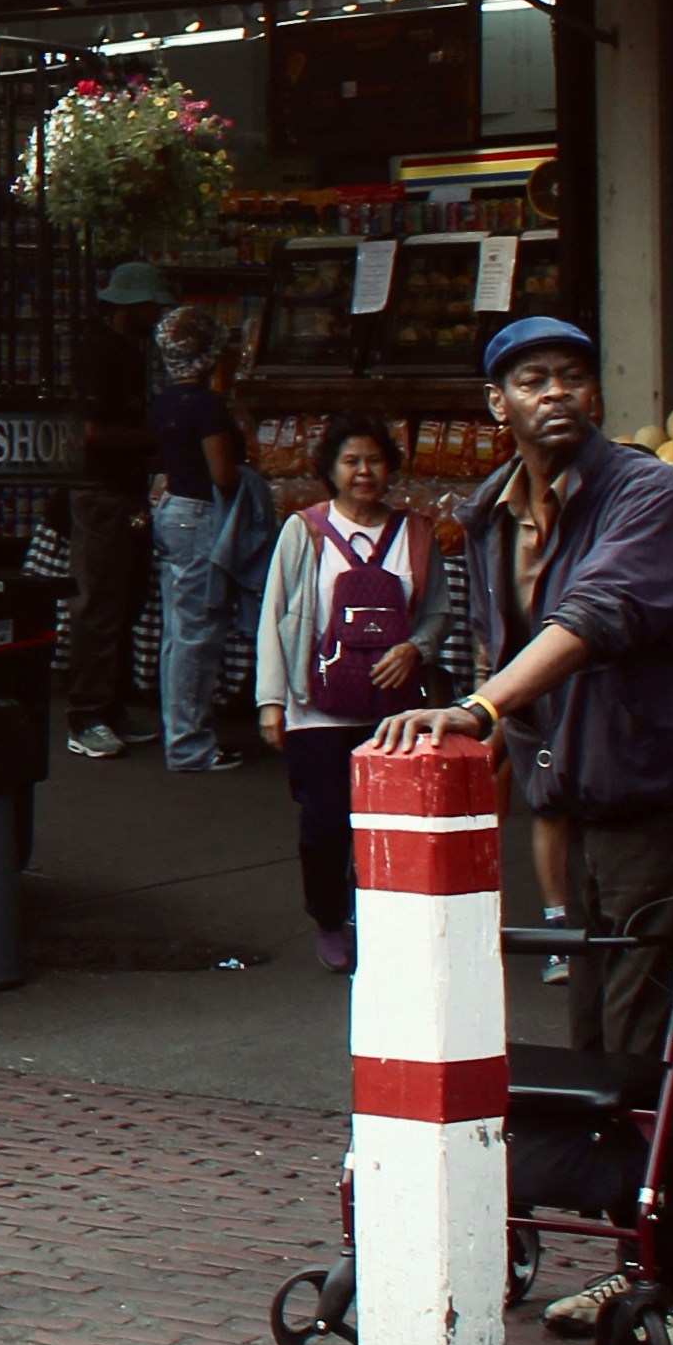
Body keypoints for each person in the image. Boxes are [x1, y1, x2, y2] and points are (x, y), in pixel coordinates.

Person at [369, 316, 673, 1345]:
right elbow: (501, 651)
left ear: (594, 396)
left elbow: (599, 614)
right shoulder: (489, 513)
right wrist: (483, 766)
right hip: (588, 804)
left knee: (654, 1050)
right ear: (495, 404)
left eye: (572, 376)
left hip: (672, 800)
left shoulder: (643, 491)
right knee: (595, 1051)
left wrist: (480, 710)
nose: (554, 393)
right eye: (531, 379)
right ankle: (646, 1260)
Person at [253, 415, 434, 972]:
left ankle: (382, 923)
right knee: (326, 822)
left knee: (394, 825)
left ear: (390, 468)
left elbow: (440, 613)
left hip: (393, 711)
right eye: (351, 461)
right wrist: (271, 701)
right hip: (317, 710)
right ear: (330, 470)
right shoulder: (304, 531)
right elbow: (274, 613)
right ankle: (330, 919)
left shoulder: (416, 534)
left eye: (374, 460)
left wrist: (416, 649)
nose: (364, 472)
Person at [61, 263, 168, 757]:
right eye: (151, 306)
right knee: (101, 604)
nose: (157, 315)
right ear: (132, 307)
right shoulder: (101, 353)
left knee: (123, 601)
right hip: (101, 491)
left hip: (119, 490)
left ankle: (111, 708)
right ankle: (87, 716)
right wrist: (153, 441)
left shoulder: (124, 349)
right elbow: (90, 432)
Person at [144, 309, 253, 771]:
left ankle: (180, 730)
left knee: (178, 630)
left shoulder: (163, 402)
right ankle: (189, 744)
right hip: (200, 515)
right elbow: (223, 474)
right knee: (197, 633)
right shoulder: (207, 406)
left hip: (172, 512)